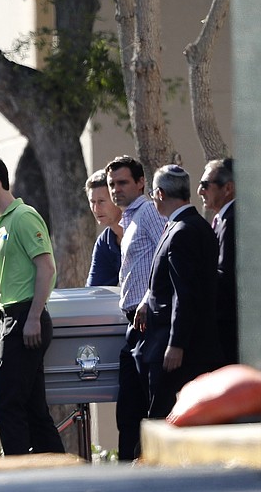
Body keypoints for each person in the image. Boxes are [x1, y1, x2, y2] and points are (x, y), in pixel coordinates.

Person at [0, 152, 64, 456]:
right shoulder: (2, 225)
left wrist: (33, 317)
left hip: (24, 320)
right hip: (12, 320)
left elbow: (46, 267)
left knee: (8, 407)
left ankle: (18, 478)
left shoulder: (23, 217)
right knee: (34, 411)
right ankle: (68, 477)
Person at [134, 164, 224, 419]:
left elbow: (184, 293)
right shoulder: (198, 226)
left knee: (163, 419)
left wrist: (176, 343)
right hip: (196, 344)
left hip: (177, 349)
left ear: (160, 194)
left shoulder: (182, 231)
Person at [104, 155, 165, 461]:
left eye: (123, 182)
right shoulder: (128, 219)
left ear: (141, 182)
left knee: (148, 409)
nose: (116, 189)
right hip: (133, 325)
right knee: (128, 411)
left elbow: (167, 256)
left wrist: (147, 298)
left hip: (150, 321)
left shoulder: (150, 211)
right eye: (112, 184)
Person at [198, 158, 237, 364]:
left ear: (228, 187)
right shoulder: (223, 219)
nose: (200, 191)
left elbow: (225, 274)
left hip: (231, 324)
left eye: (205, 185)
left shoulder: (233, 220)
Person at [84, 169, 122, 287]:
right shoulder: (104, 242)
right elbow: (94, 291)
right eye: (92, 202)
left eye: (101, 201)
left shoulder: (141, 228)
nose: (96, 209)